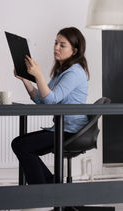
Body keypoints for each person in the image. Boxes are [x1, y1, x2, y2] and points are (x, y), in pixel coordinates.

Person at [11, 27, 89, 184]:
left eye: (62, 45)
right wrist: (25, 79)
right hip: (61, 128)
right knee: (21, 144)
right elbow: (41, 99)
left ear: (74, 51)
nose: (56, 47)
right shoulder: (62, 71)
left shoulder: (74, 72)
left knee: (22, 145)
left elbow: (51, 100)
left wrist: (38, 75)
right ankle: (50, 186)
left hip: (71, 131)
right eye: (55, 43)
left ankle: (44, 190)